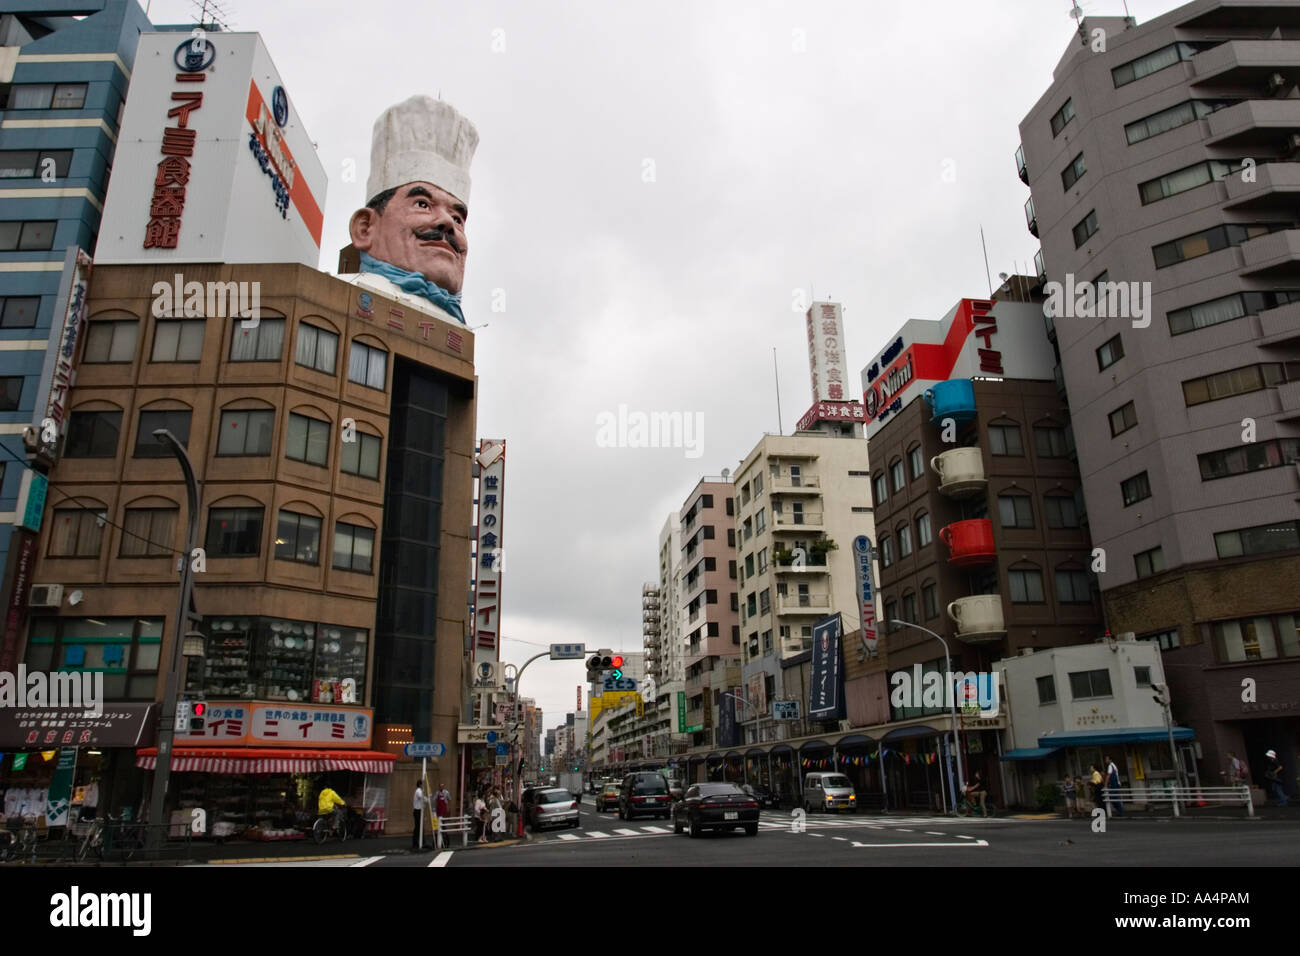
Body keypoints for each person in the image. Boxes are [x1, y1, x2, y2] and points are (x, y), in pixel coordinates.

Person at [343, 95, 479, 327]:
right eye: (423, 204)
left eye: (458, 219)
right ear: (365, 228)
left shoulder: (459, 331)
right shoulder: (340, 302)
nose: (447, 222)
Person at [412, 782, 425, 850]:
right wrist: (427, 799)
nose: (423, 786)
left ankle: (421, 842)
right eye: (422, 784)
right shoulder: (418, 791)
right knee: (418, 827)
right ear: (420, 785)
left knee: (420, 827)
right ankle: (415, 843)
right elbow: (421, 797)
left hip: (419, 811)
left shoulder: (419, 791)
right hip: (417, 811)